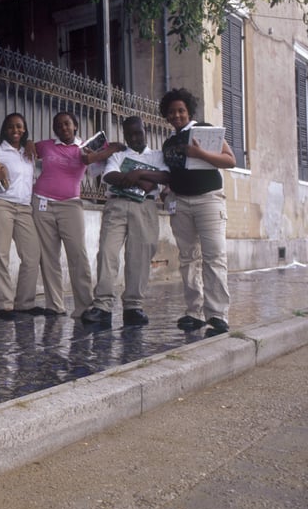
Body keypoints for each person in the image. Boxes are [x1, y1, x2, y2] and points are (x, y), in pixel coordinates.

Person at [29, 111, 124, 320]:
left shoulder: (85, 148)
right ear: (55, 129)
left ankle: (84, 305)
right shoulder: (45, 145)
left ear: (75, 126)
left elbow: (94, 166)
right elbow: (28, 150)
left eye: (67, 124)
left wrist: (107, 152)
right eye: (59, 125)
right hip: (42, 202)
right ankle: (55, 305)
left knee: (78, 255)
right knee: (49, 256)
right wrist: (27, 143)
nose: (63, 128)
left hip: (71, 205)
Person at [159, 88, 236, 335]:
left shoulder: (203, 129)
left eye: (181, 110)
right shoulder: (169, 142)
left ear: (189, 111)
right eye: (172, 112)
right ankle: (194, 312)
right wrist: (166, 188)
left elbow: (230, 160)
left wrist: (199, 153)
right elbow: (173, 171)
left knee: (214, 257)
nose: (177, 115)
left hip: (208, 201)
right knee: (188, 258)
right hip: (180, 203)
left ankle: (217, 315)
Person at [81, 117, 170, 326]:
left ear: (145, 131)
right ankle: (102, 306)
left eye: (138, 133)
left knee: (139, 255)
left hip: (145, 207)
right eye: (129, 134)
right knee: (106, 252)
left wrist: (136, 174)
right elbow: (110, 176)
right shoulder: (118, 154)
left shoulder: (157, 156)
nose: (134, 138)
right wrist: (145, 179)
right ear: (124, 134)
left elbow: (166, 176)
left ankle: (133, 306)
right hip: (117, 205)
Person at [0, 113, 44, 320]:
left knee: (32, 255)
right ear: (5, 130)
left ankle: (25, 303)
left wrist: (30, 144)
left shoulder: (28, 154)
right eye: (11, 127)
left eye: (20, 127)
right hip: (1, 205)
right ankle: (4, 305)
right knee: (1, 256)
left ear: (25, 130)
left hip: (24, 208)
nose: (16, 130)